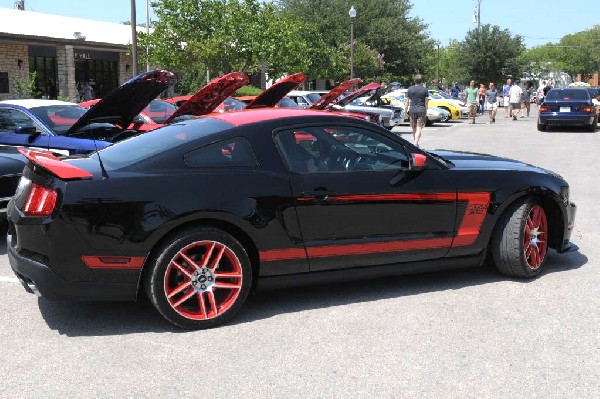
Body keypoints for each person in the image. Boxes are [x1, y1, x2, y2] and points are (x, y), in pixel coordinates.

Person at [404, 74, 429, 147]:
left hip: (412, 110)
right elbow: (426, 101)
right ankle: (415, 143)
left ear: (414, 80)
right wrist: (426, 109)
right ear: (421, 81)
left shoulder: (410, 89)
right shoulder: (424, 89)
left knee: (414, 127)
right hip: (421, 110)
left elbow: (407, 101)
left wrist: (405, 110)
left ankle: (415, 143)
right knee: (419, 127)